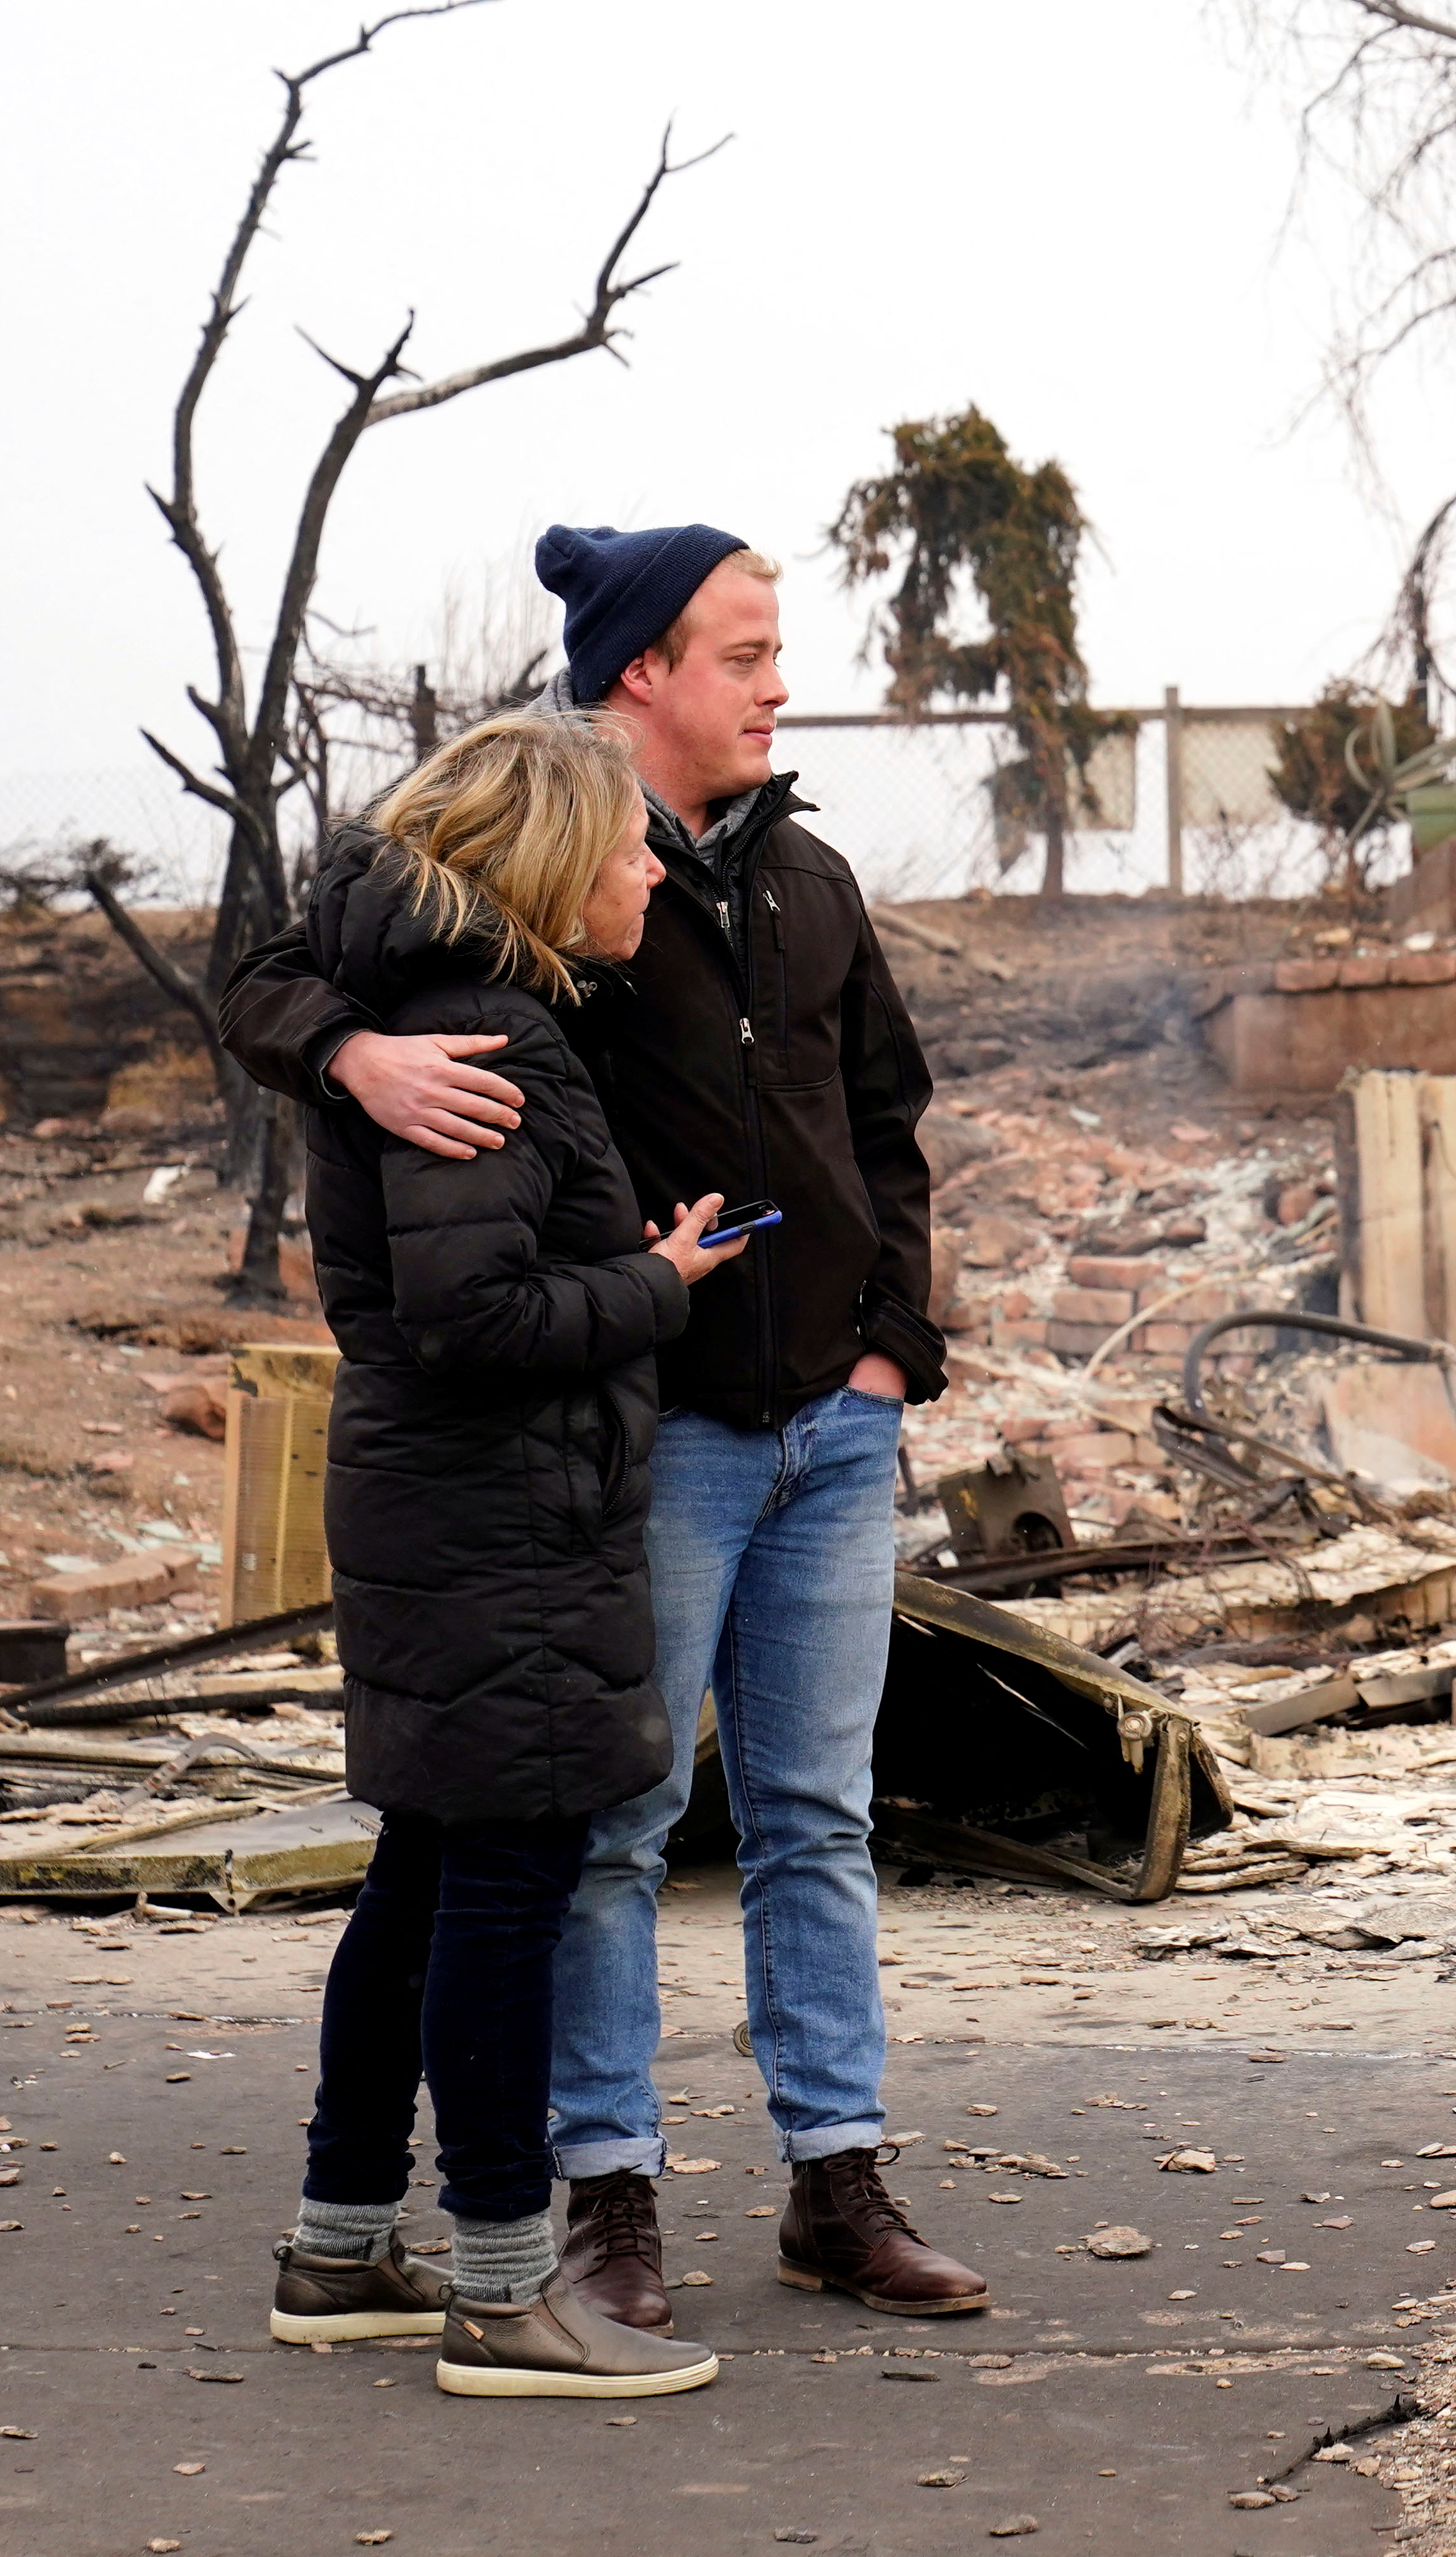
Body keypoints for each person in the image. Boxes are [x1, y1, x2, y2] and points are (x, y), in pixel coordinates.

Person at [221, 524, 984, 2328]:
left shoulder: (809, 881)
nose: (779, 684)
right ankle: (603, 2202)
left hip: (833, 1431)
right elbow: (282, 969)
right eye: (746, 652)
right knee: (609, 1826)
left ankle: (838, 2184)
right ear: (642, 668)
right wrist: (349, 1057)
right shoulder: (532, 872)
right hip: (650, 1432)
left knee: (815, 1815)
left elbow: (887, 1125)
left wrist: (893, 1348)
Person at [265, 710, 745, 2398]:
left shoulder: (457, 1011)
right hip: (501, 1524)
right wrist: (658, 1291)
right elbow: (473, 1318)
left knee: (420, 1880)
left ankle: (336, 2250)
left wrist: (629, 1258)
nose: (646, 870)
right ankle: (502, 2293)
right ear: (549, 858)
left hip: (459, 1512)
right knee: (503, 1888)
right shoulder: (483, 1026)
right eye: (625, 845)